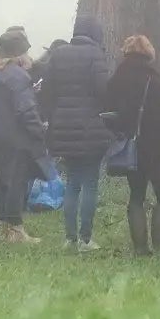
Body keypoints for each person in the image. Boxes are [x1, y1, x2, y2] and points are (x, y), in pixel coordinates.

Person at [38, 15, 115, 251]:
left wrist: (52, 117)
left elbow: (46, 91)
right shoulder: (96, 56)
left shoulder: (58, 54)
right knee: (90, 182)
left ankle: (69, 239)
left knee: (72, 182)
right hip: (91, 127)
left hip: (62, 127)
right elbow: (104, 92)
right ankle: (86, 238)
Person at [0, 29, 56, 243]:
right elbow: (26, 110)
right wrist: (39, 131)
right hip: (18, 137)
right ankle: (16, 230)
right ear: (20, 53)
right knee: (16, 182)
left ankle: (4, 229)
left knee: (4, 181)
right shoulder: (18, 76)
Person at [106, 35, 160, 256]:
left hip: (131, 146)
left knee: (136, 196)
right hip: (157, 147)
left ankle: (140, 248)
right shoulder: (153, 78)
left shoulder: (117, 78)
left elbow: (108, 110)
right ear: (148, 53)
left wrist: (120, 132)